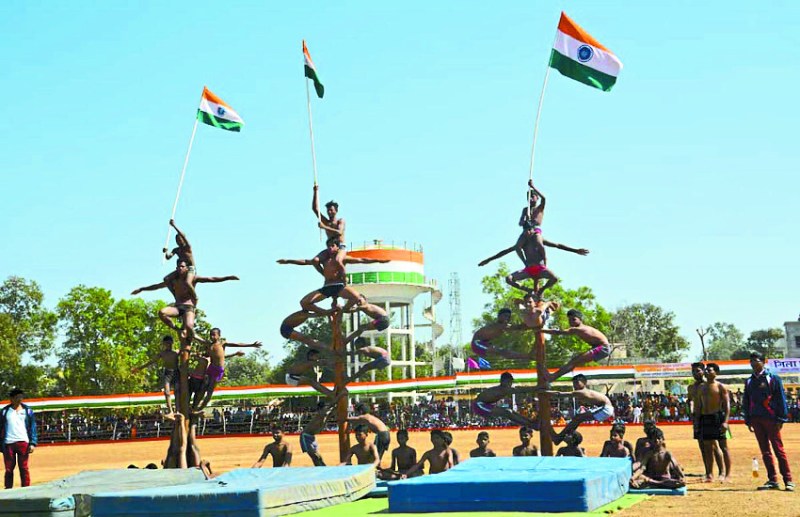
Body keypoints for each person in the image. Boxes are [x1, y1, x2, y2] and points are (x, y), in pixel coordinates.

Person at [277, 238, 390, 316]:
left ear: (337, 247)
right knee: (304, 302)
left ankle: (345, 310)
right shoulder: (324, 259)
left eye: (332, 246)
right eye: (328, 246)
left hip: (339, 286)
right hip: (327, 287)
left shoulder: (342, 258)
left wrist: (379, 260)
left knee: (356, 297)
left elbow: (361, 260)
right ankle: (326, 312)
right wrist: (288, 261)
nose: (330, 248)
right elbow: (306, 261)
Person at [131, 261, 239, 338]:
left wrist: (228, 278)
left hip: (189, 308)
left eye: (182, 267)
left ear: (187, 268)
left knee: (188, 326)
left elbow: (211, 279)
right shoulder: (174, 280)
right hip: (178, 307)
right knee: (162, 312)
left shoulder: (193, 279)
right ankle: (177, 328)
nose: (180, 268)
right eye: (178, 267)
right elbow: (157, 286)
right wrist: (141, 289)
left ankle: (197, 340)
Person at [478, 225, 589, 298]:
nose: (527, 233)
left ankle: (541, 291)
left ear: (533, 230)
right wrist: (488, 260)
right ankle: (527, 289)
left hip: (541, 269)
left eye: (529, 230)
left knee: (554, 278)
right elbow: (504, 252)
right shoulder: (522, 244)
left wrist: (575, 250)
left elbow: (558, 245)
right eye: (525, 231)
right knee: (509, 279)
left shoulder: (539, 239)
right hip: (528, 269)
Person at [743, 352, 794, 491]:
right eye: (751, 361)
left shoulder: (773, 378)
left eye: (756, 360)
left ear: (763, 362)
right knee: (765, 451)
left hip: (771, 419)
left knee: (779, 450)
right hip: (756, 419)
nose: (753, 363)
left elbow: (780, 399)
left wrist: (782, 418)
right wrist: (748, 419)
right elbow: (746, 401)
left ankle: (788, 480)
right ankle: (773, 480)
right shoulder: (749, 381)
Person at [191, 328, 262, 413]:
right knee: (202, 388)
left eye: (214, 335)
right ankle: (194, 407)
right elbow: (198, 338)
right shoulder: (209, 344)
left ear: (219, 336)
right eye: (211, 335)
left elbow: (237, 344)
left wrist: (251, 345)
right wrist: (189, 331)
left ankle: (200, 408)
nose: (212, 337)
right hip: (211, 368)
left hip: (218, 370)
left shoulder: (222, 344)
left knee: (209, 391)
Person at [541, 310, 611, 383]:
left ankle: (552, 377)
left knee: (574, 361)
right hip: (598, 347)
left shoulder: (579, 329)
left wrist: (541, 330)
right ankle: (553, 377)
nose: (571, 322)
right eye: (569, 320)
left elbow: (558, 332)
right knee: (574, 362)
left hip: (603, 348)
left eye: (574, 319)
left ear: (580, 319)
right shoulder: (580, 329)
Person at [544, 374, 614, 444]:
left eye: (577, 382)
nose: (575, 385)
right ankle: (564, 436)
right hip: (605, 408)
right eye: (574, 383)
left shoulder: (582, 392)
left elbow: (559, 394)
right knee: (578, 418)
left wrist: (544, 392)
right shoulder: (584, 391)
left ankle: (560, 437)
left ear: (584, 382)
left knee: (578, 418)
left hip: (605, 409)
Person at [687, 362, 724, 480]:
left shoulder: (708, 384)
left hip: (710, 416)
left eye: (697, 371)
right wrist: (691, 411)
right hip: (698, 418)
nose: (695, 374)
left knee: (714, 445)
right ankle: (708, 472)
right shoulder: (691, 387)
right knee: (702, 446)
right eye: (693, 371)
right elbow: (690, 400)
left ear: (703, 371)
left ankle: (722, 472)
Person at [698, 363, 732, 482]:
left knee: (724, 447)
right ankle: (710, 474)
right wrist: (698, 420)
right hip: (705, 418)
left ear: (716, 373)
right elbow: (699, 405)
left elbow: (727, 405)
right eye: (706, 370)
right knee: (708, 447)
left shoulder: (720, 386)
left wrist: (726, 422)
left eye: (709, 370)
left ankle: (727, 475)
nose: (706, 372)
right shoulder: (702, 387)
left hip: (718, 418)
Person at [132, 335, 180, 419]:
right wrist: (139, 368)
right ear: (164, 344)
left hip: (176, 373)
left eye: (169, 343)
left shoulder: (176, 352)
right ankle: (170, 411)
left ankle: (177, 410)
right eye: (166, 343)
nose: (168, 345)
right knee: (167, 392)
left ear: (172, 343)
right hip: (167, 373)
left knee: (177, 392)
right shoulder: (162, 353)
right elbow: (151, 361)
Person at [472, 372, 540, 428]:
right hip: (479, 405)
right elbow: (521, 390)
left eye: (511, 382)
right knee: (507, 413)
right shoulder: (503, 389)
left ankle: (530, 423)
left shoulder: (503, 388)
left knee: (509, 411)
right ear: (503, 381)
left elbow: (520, 389)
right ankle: (531, 424)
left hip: (484, 404)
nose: (510, 384)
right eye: (509, 382)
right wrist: (537, 388)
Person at [1, 388, 37, 488]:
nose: (19, 399)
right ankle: (8, 489)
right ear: (11, 399)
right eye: (17, 397)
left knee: (24, 467)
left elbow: (33, 427)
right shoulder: (4, 412)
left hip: (23, 442)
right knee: (9, 468)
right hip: (9, 443)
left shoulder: (28, 411)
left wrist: (33, 443)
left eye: (21, 397)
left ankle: (26, 489)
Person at [300, 392, 346, 466]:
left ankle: (323, 468)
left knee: (318, 457)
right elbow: (331, 405)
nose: (326, 408)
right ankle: (322, 468)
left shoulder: (325, 416)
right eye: (325, 407)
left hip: (312, 437)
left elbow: (333, 410)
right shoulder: (319, 415)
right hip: (306, 436)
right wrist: (340, 395)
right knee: (315, 456)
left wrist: (339, 403)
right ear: (320, 409)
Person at [470, 309, 536, 360]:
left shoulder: (503, 326)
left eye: (509, 316)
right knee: (501, 351)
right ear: (499, 316)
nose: (507, 318)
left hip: (484, 343)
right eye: (505, 316)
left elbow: (519, 328)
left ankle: (526, 356)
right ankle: (527, 356)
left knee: (502, 352)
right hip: (477, 343)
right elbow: (518, 327)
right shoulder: (498, 325)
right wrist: (532, 323)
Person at [162, 219, 198, 305]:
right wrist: (165, 252)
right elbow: (168, 257)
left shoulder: (187, 247)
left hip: (190, 269)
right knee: (166, 279)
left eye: (179, 239)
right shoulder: (176, 250)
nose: (178, 241)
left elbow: (184, 236)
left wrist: (174, 226)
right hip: (181, 269)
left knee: (187, 282)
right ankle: (175, 296)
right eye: (177, 240)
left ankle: (195, 297)